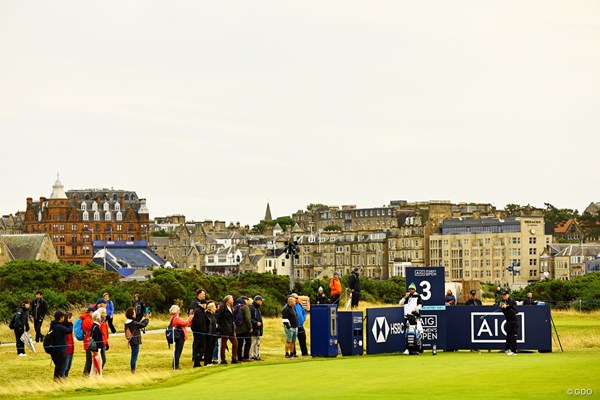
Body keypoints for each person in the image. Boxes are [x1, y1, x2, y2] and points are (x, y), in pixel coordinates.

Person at [399, 282, 424, 355]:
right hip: (408, 317)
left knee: (419, 331)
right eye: (410, 289)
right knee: (407, 333)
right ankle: (407, 348)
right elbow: (400, 303)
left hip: (415, 317)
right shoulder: (407, 297)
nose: (411, 290)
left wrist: (416, 309)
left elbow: (421, 304)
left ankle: (419, 346)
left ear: (414, 289)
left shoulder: (417, 296)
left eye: (412, 289)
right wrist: (405, 297)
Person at [124, 306, 150, 374]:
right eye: (134, 312)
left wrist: (145, 319)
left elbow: (140, 324)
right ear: (132, 314)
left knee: (134, 356)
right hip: (135, 341)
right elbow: (143, 324)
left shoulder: (128, 322)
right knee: (134, 357)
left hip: (132, 341)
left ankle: (133, 370)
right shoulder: (133, 323)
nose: (135, 314)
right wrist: (147, 318)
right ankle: (133, 371)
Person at [49, 310, 73, 381]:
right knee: (62, 369)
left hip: (56, 350)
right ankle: (59, 382)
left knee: (58, 368)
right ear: (61, 318)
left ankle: (57, 381)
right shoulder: (58, 327)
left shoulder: (53, 325)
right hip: (60, 350)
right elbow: (69, 330)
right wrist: (69, 323)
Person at [169, 304, 194, 370]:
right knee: (178, 351)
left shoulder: (172, 317)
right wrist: (190, 318)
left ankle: (175, 364)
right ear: (176, 311)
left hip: (178, 336)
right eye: (178, 310)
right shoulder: (176, 318)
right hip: (179, 336)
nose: (179, 312)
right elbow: (185, 323)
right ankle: (176, 365)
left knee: (177, 350)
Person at [216, 295, 238, 365]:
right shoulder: (223, 308)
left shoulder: (231, 308)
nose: (233, 301)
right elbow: (218, 318)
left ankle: (234, 358)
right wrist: (222, 326)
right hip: (225, 329)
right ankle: (223, 359)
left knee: (235, 343)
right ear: (228, 301)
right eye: (232, 299)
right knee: (224, 344)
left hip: (231, 329)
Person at [189, 289, 207, 367]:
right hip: (196, 326)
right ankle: (195, 356)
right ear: (199, 294)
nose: (204, 296)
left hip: (201, 326)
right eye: (203, 294)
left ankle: (199, 356)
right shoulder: (194, 303)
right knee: (197, 342)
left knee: (200, 342)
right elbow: (191, 313)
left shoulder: (201, 303)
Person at [499, 290, 519, 356]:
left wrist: (507, 306)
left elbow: (516, 310)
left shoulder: (512, 301)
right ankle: (507, 349)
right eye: (503, 295)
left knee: (514, 336)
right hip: (508, 321)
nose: (504, 296)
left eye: (505, 295)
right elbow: (501, 305)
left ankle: (514, 351)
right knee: (508, 336)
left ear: (508, 295)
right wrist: (504, 306)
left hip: (514, 321)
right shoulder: (501, 302)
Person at [236, 296, 253, 362]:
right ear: (244, 300)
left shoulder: (236, 307)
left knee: (239, 343)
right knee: (248, 342)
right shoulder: (245, 307)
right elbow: (248, 318)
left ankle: (239, 358)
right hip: (245, 328)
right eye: (246, 299)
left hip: (237, 328)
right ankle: (246, 357)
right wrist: (250, 327)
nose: (247, 301)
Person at [90, 309, 105, 377]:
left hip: (95, 348)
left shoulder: (94, 326)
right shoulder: (96, 327)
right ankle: (99, 376)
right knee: (99, 363)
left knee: (94, 363)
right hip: (96, 348)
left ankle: (92, 377)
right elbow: (96, 339)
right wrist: (96, 350)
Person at [59, 312, 75, 378]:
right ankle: (61, 381)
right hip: (66, 350)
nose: (72, 318)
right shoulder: (64, 328)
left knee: (68, 367)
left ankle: (65, 381)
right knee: (64, 368)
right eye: (71, 317)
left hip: (71, 349)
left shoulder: (69, 327)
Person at [81, 306, 95, 376]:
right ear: (91, 312)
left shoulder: (88, 319)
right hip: (89, 342)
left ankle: (87, 374)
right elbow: (94, 328)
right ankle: (85, 375)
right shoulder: (87, 320)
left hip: (88, 341)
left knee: (90, 360)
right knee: (89, 360)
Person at [249, 295, 264, 361]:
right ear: (257, 301)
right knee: (253, 343)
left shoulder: (257, 308)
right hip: (254, 328)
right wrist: (256, 322)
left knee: (257, 343)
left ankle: (256, 355)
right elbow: (250, 318)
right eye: (260, 301)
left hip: (258, 328)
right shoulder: (252, 308)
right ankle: (252, 355)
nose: (261, 302)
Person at [203, 301, 218, 366]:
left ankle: (209, 361)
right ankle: (207, 362)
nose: (215, 309)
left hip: (213, 334)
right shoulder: (207, 315)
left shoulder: (212, 315)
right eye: (214, 307)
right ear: (211, 308)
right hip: (209, 334)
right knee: (208, 349)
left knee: (211, 348)